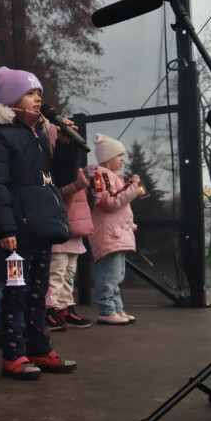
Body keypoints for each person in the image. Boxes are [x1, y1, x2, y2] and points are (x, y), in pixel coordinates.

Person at [0, 66, 78, 380]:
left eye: (39, 94)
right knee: (15, 293)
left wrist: (65, 144)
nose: (38, 99)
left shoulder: (36, 133)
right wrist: (5, 228)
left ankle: (38, 347)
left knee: (38, 293)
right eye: (31, 93)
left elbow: (59, 179)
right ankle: (13, 355)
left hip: (39, 228)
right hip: (16, 233)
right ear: (10, 97)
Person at [44, 124, 94, 331]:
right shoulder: (53, 169)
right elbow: (60, 192)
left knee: (69, 273)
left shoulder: (74, 167)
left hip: (76, 230)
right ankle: (49, 309)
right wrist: (82, 181)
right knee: (56, 272)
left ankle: (66, 306)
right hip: (61, 229)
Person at [89, 133, 142, 325]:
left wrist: (129, 225)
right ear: (107, 157)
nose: (122, 159)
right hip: (109, 234)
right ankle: (106, 310)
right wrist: (133, 189)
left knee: (117, 275)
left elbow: (119, 208)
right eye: (119, 155)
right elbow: (110, 203)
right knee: (109, 275)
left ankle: (116, 309)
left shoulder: (112, 177)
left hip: (117, 233)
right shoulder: (101, 175)